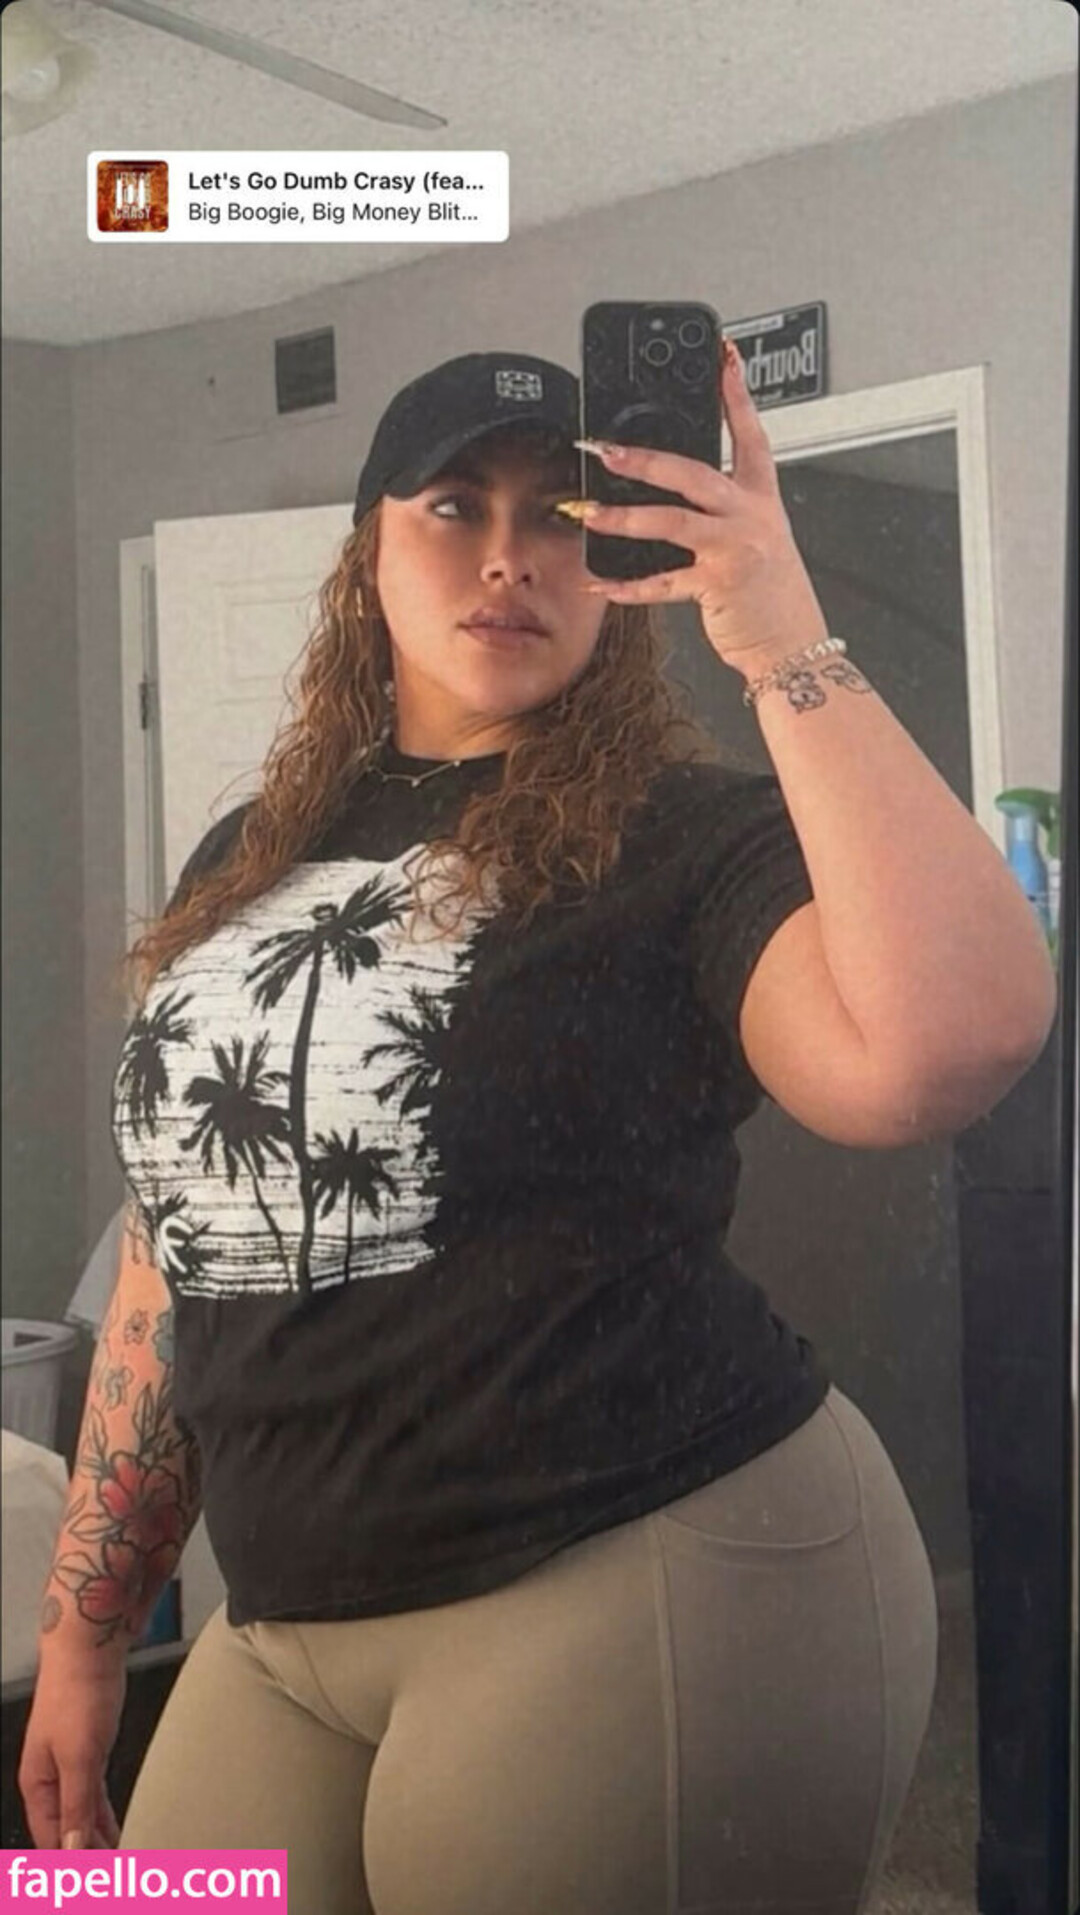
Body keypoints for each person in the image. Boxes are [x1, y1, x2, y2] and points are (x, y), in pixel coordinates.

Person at [19, 341, 1056, 1914]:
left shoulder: (688, 832)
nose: (509, 553)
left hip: (642, 1549)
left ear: (617, 560)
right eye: (454, 504)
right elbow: (180, 1248)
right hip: (284, 1619)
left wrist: (779, 631)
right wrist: (89, 1627)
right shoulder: (252, 848)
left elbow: (945, 1049)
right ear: (368, 552)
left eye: (561, 512)